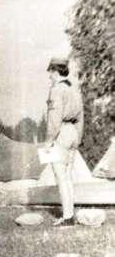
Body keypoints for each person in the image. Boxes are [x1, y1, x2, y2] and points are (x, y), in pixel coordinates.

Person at [46, 57, 84, 227]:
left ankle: (67, 218)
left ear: (55, 72)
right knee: (68, 176)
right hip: (73, 132)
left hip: (61, 132)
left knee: (61, 176)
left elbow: (54, 119)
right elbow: (81, 116)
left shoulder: (56, 90)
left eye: (50, 74)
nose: (49, 77)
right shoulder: (74, 88)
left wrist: (48, 141)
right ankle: (70, 215)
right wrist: (78, 137)